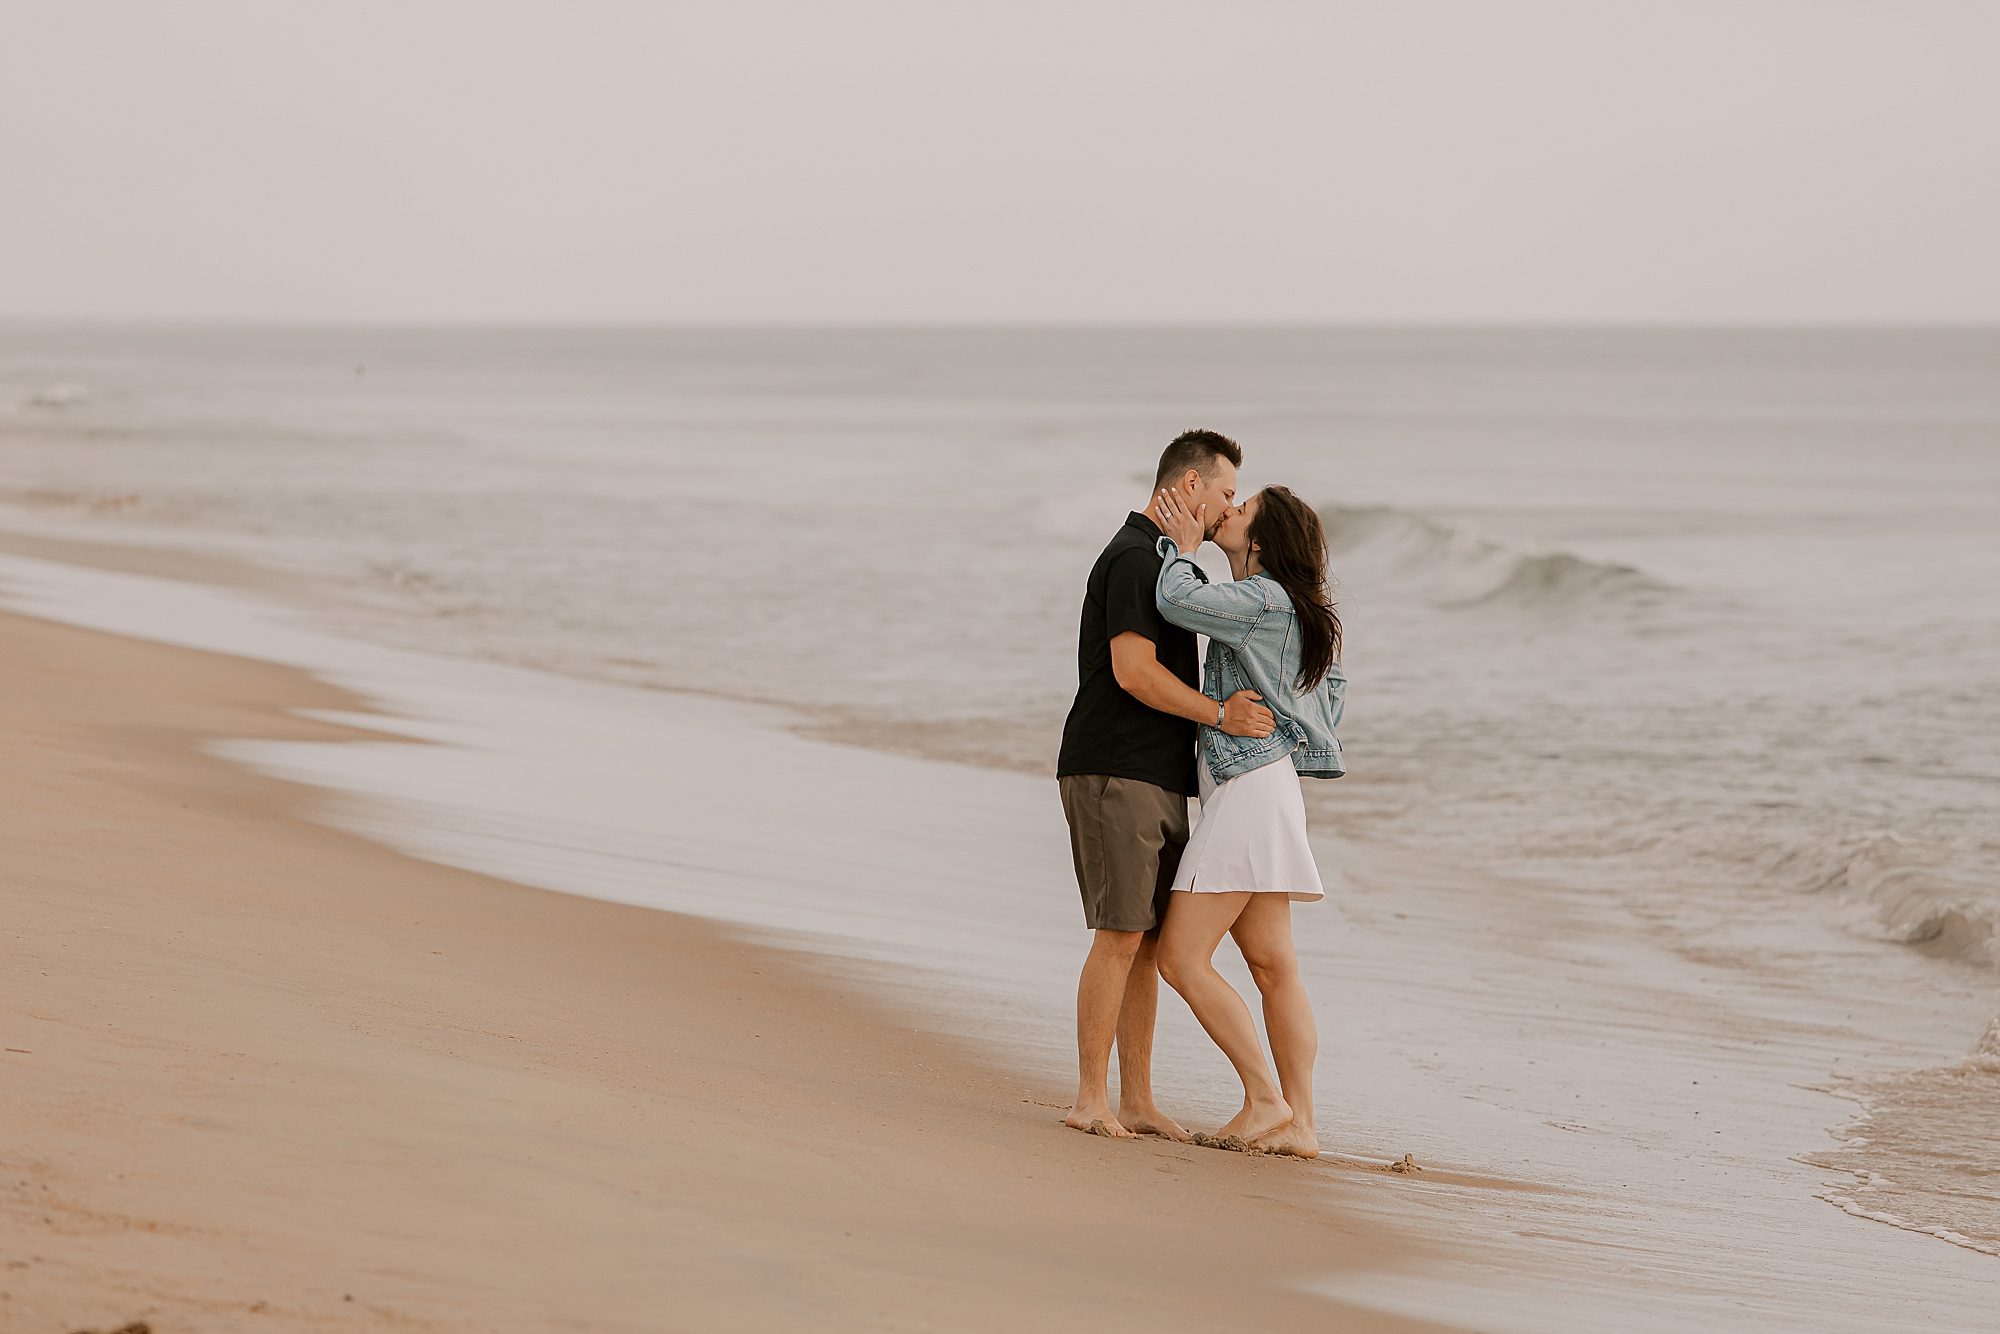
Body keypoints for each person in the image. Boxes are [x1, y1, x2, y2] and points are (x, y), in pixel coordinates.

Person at [1055, 430, 1277, 1140]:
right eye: (1224, 493)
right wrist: (1218, 714)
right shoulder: (1130, 558)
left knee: (1146, 942)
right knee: (1119, 934)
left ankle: (1138, 1099)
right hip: (1114, 767)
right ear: (1187, 486)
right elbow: (1132, 672)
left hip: (1155, 773)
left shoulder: (1170, 565)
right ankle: (1092, 1098)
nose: (1228, 507)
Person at [1146, 482, 1346, 1159]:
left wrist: (1180, 547)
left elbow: (1175, 600)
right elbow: (1331, 701)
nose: (1227, 512)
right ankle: (1302, 1125)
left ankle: (1265, 1099)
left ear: (1262, 540)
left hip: (1248, 792)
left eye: (1240, 510)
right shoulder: (1291, 609)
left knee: (1179, 958)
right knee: (1272, 967)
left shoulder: (1262, 599)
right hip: (1271, 786)